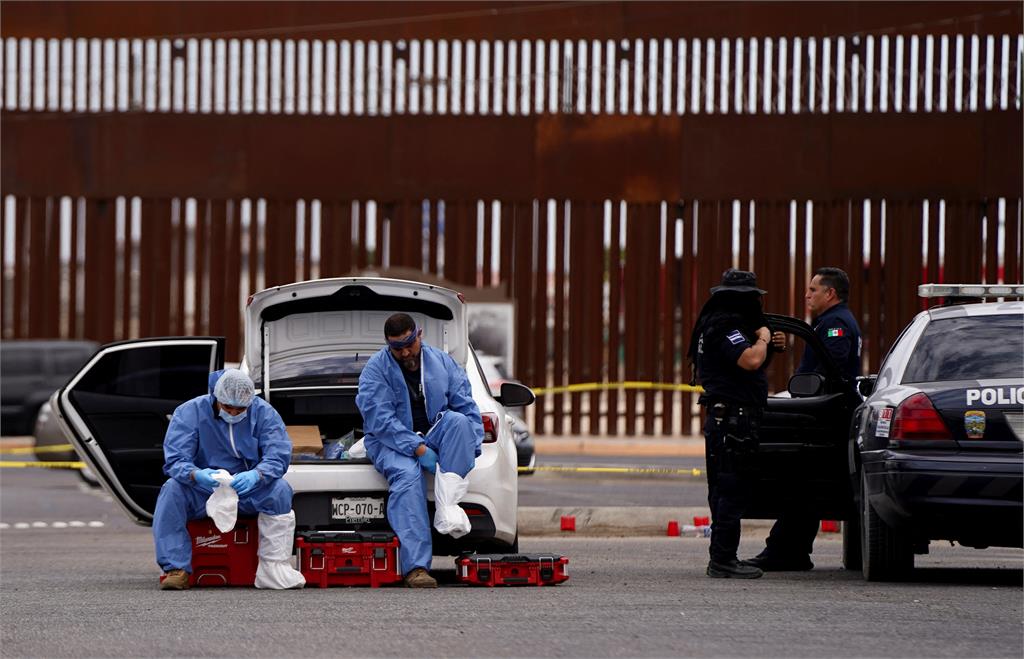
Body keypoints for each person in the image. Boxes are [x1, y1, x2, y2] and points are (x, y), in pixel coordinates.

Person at [746, 266, 863, 571]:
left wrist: (804, 395)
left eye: (813, 289)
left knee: (800, 484)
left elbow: (829, 373)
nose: (807, 294)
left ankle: (784, 550)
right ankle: (791, 550)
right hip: (824, 413)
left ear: (830, 293)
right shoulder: (828, 322)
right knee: (806, 487)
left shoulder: (835, 323)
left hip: (823, 417)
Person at [356, 313, 484, 588]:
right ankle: (416, 567)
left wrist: (466, 448)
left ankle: (447, 506)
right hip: (390, 441)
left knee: (460, 423)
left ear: (420, 335)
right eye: (396, 348)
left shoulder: (442, 362)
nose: (404, 352)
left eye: (409, 344)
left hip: (433, 432)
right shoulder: (375, 369)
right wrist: (418, 448)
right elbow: (380, 420)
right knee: (407, 477)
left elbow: (466, 407)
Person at [153, 368, 305, 590]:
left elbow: (278, 454)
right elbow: (175, 459)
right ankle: (176, 569)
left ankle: (274, 566)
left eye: (240, 409)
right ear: (215, 397)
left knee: (280, 489)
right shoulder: (190, 412)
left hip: (247, 490)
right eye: (227, 407)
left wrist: (257, 475)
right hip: (204, 489)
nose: (233, 413)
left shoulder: (264, 413)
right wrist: (195, 474)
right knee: (172, 490)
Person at [688, 268, 777, 579]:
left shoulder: (715, 324)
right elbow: (750, 361)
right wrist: (763, 338)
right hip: (734, 421)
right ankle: (723, 559)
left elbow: (743, 365)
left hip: (724, 418)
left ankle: (722, 556)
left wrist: (768, 346)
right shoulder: (727, 325)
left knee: (723, 489)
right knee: (732, 489)